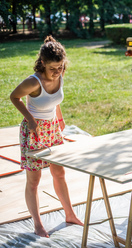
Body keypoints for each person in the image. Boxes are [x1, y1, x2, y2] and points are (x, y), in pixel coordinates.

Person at [10, 36, 83, 237]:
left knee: (59, 173)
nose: (57, 72)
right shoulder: (33, 81)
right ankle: (38, 224)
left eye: (60, 67)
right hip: (34, 132)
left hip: (52, 129)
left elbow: (55, 100)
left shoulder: (60, 75)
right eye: (53, 68)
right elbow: (14, 97)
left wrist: (60, 119)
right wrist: (30, 119)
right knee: (34, 180)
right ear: (42, 63)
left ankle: (70, 214)